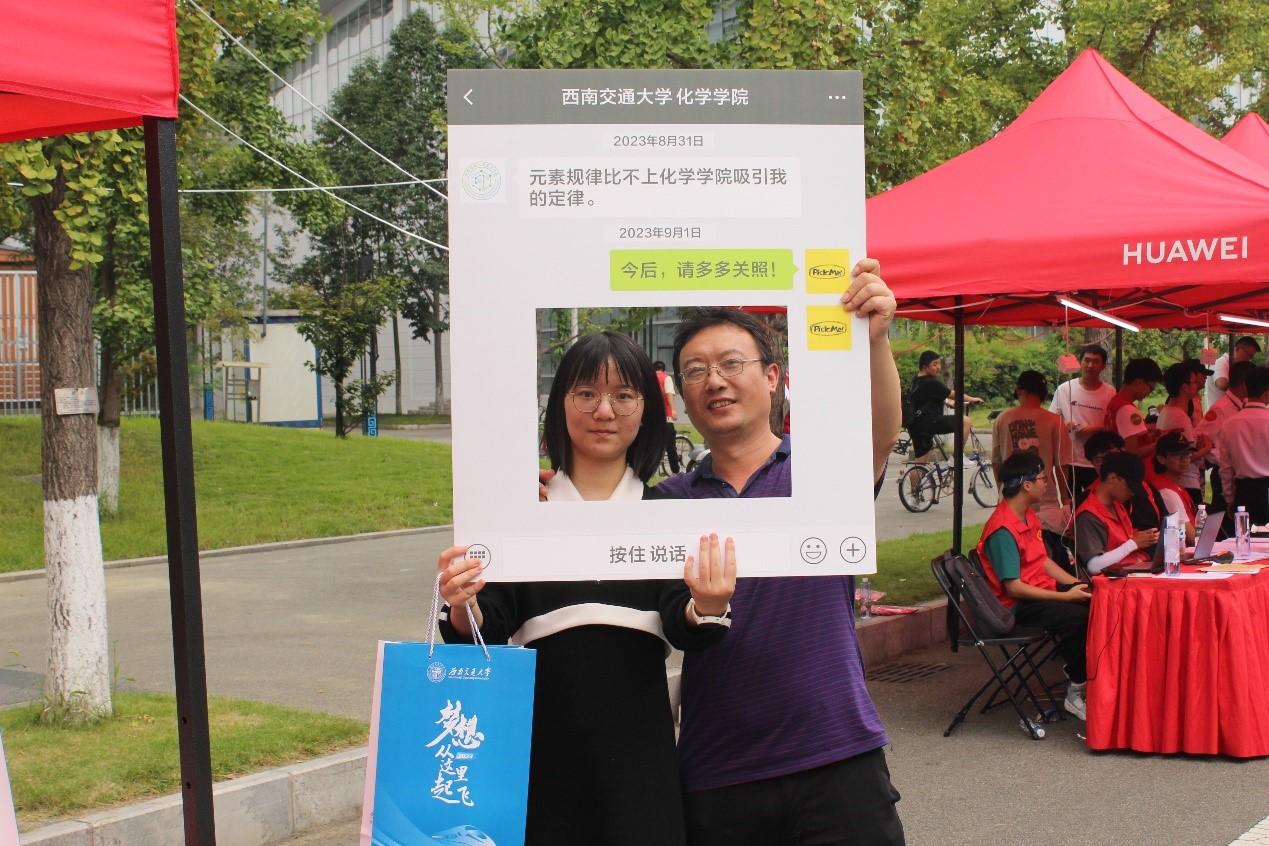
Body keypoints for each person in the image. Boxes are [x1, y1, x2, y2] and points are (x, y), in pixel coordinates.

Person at [436, 331, 738, 846]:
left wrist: (707, 605)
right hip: (539, 754)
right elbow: (488, 620)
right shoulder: (521, 511)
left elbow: (681, 620)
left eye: (623, 395)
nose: (604, 411)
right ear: (560, 405)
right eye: (586, 393)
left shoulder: (665, 514)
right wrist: (462, 601)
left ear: (646, 410)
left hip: (640, 763)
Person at [658, 259, 905, 846]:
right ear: (684, 396)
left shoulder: (820, 469)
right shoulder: (669, 500)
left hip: (837, 755)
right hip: (719, 772)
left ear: (772, 377)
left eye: (731, 364)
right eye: (696, 371)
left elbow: (880, 433)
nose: (715, 381)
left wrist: (874, 341)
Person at [976, 451, 1092, 720]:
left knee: (1095, 602)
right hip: (1017, 606)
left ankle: (1092, 679)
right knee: (1079, 619)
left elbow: (1042, 561)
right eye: (1043, 478)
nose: (1046, 483)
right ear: (1026, 485)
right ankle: (1076, 691)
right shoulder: (1002, 529)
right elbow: (1014, 588)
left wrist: (1079, 584)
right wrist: (1066, 597)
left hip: (1041, 591)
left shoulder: (1028, 515)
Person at [992, 369, 1074, 537]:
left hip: (1011, 500)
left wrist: (1001, 490)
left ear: (1019, 390)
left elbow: (997, 462)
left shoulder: (1002, 419)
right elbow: (1061, 466)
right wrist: (1065, 498)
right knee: (1042, 548)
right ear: (1044, 393)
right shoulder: (1055, 421)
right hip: (1045, 502)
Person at [1049, 344, 1117, 500]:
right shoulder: (1064, 389)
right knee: (1072, 503)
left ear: (1103, 366)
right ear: (1080, 362)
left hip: (1098, 462)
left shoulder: (1110, 392)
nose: (1090, 365)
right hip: (1070, 461)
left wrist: (1096, 429)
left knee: (1098, 502)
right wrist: (1064, 424)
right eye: (1087, 360)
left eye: (1095, 361)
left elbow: (1115, 425)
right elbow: (1052, 419)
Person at [1074, 450, 1159, 574]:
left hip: (1135, 569)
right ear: (1112, 478)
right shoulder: (1088, 516)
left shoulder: (1117, 505)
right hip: (1115, 580)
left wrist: (1145, 538)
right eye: (1129, 487)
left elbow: (1124, 540)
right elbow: (1093, 566)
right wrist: (1133, 544)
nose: (1132, 493)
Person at [1197, 359, 1255, 521]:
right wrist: (1224, 459)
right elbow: (1201, 436)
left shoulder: (1243, 404)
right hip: (1223, 473)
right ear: (1245, 384)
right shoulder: (1221, 408)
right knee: (1226, 519)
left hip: (1238, 473)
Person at [1154, 362, 1213, 506]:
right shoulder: (1180, 417)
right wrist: (1206, 449)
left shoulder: (1167, 410)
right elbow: (1187, 457)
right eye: (1194, 382)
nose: (1196, 386)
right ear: (1184, 387)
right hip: (1187, 481)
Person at [907, 350, 981, 463]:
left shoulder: (916, 380)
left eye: (939, 363)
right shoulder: (930, 382)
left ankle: (916, 476)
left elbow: (927, 397)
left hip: (916, 426)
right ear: (925, 367)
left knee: (920, 464)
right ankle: (957, 458)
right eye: (934, 364)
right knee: (965, 421)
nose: (938, 367)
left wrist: (947, 402)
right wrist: (971, 399)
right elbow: (953, 394)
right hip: (929, 422)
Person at [1219, 365, 1269, 527]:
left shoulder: (1229, 424)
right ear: (1267, 393)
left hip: (1244, 492)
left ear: (1246, 388)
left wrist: (1230, 499)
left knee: (1244, 539)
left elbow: (1225, 468)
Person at [1103, 357, 1164, 460]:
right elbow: (1133, 452)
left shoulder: (1116, 401)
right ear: (1139, 382)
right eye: (1150, 388)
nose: (1149, 393)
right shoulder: (1128, 410)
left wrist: (1148, 434)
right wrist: (1160, 443)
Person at [1147, 432, 1197, 544]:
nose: (1185, 459)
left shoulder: (1175, 486)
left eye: (1187, 453)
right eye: (1177, 454)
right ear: (1161, 459)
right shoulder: (1166, 490)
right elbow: (1191, 537)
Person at [1205, 335, 1261, 408]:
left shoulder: (1237, 367)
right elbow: (1221, 384)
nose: (1249, 360)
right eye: (1249, 355)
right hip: (1220, 412)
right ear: (1237, 349)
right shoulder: (1221, 363)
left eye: (1251, 357)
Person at [655, 360, 682, 474]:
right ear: (663, 369)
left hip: (652, 418)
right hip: (666, 417)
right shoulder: (666, 378)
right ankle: (676, 472)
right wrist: (673, 409)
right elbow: (669, 393)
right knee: (671, 447)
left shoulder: (648, 379)